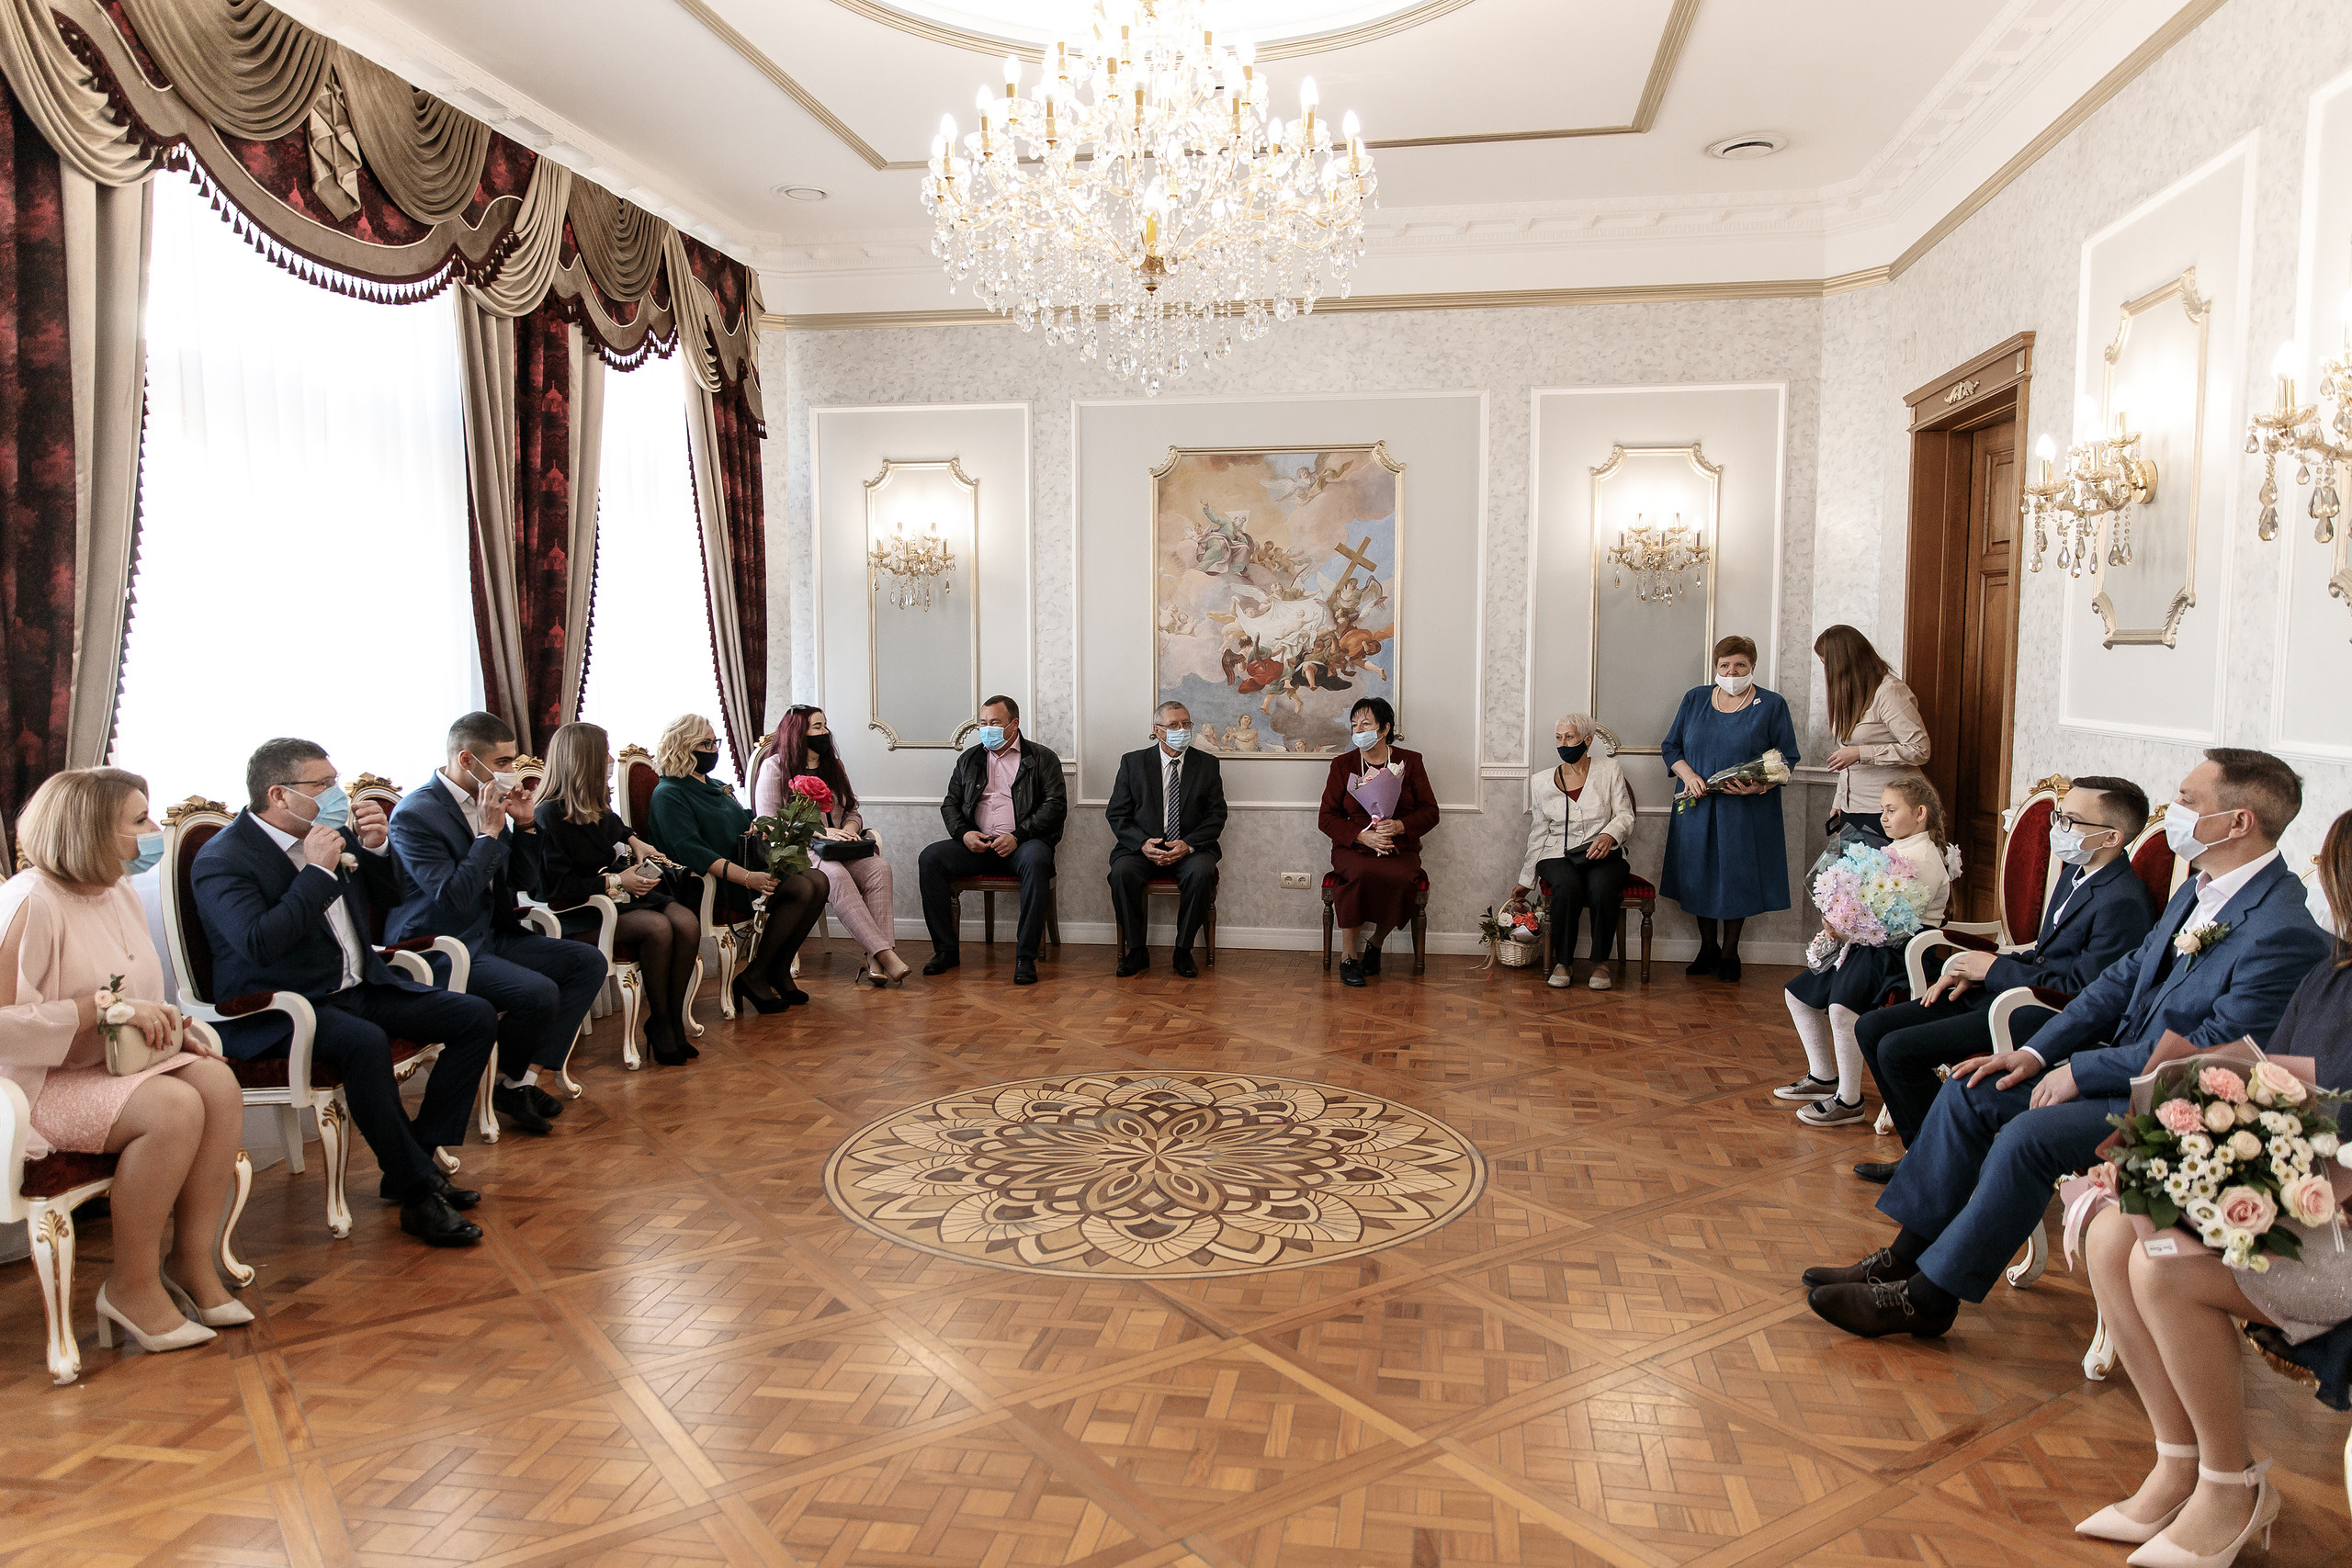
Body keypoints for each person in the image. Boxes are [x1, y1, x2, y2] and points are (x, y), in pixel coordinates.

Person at [1803, 749, 2333, 1341]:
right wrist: (2033, 1053)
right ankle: (1905, 1258)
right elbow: (2118, 981)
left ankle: (1929, 1299)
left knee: (2028, 1136)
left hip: (2171, 1105)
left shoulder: (2282, 931)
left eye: (2188, 801)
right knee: (1970, 1087)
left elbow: (2207, 1052)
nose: (2173, 812)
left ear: (2239, 822)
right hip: (2119, 1065)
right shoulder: (2198, 891)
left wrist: (2079, 1071)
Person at [2074, 808, 2351, 1567]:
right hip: (2305, 1197)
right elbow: (2273, 1084)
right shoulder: (2332, 973)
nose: (2322, 868)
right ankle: (2179, 1462)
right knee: (2109, 1229)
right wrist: (2152, 1159)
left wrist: (2286, 1184)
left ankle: (2233, 1484)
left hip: (2342, 1226)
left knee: (2161, 1267)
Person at [193, 739, 500, 1245]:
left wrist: (377, 851)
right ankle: (420, 1197)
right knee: (364, 1043)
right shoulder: (224, 858)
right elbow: (258, 946)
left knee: (474, 1016)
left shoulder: (329, 833)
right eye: (323, 784)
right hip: (283, 1007)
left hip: (359, 986)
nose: (338, 793)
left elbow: (392, 899)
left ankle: (415, 1162)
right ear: (279, 795)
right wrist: (315, 872)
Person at [1, 768, 250, 1349]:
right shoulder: (28, 904)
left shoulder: (113, 888)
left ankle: (192, 1261)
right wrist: (93, 1011)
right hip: (33, 1083)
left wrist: (170, 1025)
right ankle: (131, 1285)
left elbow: (140, 990)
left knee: (216, 1083)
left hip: (104, 1066)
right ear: (89, 831)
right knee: (172, 1108)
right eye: (139, 821)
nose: (154, 829)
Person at [1849, 775, 2156, 1179]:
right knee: (1872, 1027)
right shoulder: (2075, 873)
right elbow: (2046, 954)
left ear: (2111, 837)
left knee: (1898, 1050)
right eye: (2059, 816)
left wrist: (1994, 970)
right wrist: (1974, 969)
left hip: (2040, 1011)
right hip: (2012, 988)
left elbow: (2084, 991)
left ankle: (1936, 1167)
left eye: (2071, 821)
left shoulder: (2124, 902)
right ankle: (1927, 1157)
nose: (2057, 828)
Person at [386, 712, 606, 1134]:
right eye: (503, 763)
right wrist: (488, 835)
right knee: (537, 992)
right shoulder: (416, 814)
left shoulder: (490, 802)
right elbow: (453, 897)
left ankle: (515, 1080)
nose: (512, 772)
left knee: (587, 962)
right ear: (468, 760)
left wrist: (524, 826)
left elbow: (525, 884)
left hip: (491, 933)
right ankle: (506, 1084)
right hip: (439, 945)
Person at [1774, 776, 1953, 1128]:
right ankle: (1823, 1075)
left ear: (1920, 813)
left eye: (1891, 809)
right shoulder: (1897, 848)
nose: (1883, 817)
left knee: (1842, 1007)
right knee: (1797, 995)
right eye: (1882, 809)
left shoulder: (1925, 859)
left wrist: (1847, 928)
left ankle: (1849, 1099)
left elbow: (1897, 921)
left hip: (1901, 954)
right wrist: (1840, 913)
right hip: (1868, 945)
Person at [536, 723, 703, 1066]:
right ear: (584, 760)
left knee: (686, 921)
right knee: (658, 928)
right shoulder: (547, 815)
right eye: (604, 752)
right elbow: (556, 888)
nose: (610, 759)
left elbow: (618, 828)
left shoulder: (593, 806)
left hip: (615, 900)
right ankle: (661, 1025)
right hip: (580, 911)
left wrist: (635, 841)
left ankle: (667, 1021)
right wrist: (617, 882)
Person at [645, 713, 829, 1014]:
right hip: (711, 885)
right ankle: (756, 976)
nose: (714, 750)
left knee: (818, 881)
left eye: (714, 742)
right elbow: (691, 852)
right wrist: (748, 878)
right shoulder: (669, 794)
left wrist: (760, 825)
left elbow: (742, 819)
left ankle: (776, 970)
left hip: (742, 871)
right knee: (800, 888)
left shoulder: (716, 785)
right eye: (706, 743)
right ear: (683, 746)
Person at [1658, 635, 1801, 980]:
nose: (1732, 671)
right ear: (1716, 667)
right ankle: (1706, 948)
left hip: (1747, 810)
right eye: (1725, 665)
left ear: (1752, 667)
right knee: (1699, 874)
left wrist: (1759, 786)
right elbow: (1671, 747)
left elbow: (1787, 759)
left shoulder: (1771, 704)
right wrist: (1689, 775)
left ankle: (1730, 952)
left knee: (1738, 877)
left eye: (1740, 665)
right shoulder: (1695, 700)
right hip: (1698, 804)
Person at [917, 694, 1067, 987]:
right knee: (930, 858)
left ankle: (1025, 957)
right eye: (983, 723)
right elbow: (950, 804)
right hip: (979, 844)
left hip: (1025, 843)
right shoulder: (969, 759)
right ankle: (946, 951)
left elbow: (1055, 806)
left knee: (1037, 860)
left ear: (1014, 724)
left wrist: (1018, 835)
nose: (987, 729)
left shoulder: (1041, 758)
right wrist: (964, 834)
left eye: (994, 723)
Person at [754, 706, 909, 987]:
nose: (824, 732)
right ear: (797, 733)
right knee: (835, 875)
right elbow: (768, 824)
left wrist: (850, 829)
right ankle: (885, 954)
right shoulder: (774, 766)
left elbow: (852, 810)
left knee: (879, 868)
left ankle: (873, 958)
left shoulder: (833, 766)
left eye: (824, 726)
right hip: (802, 851)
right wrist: (823, 831)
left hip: (841, 848)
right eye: (816, 727)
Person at [1318, 696, 1439, 987]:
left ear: (1384, 728)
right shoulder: (1342, 764)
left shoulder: (1410, 762)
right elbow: (1327, 817)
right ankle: (1349, 957)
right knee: (1359, 875)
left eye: (1365, 724)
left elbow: (1430, 812)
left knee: (1402, 879)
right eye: (1354, 725)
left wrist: (1399, 826)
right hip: (1354, 846)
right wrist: (1362, 836)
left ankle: (1375, 942)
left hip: (1398, 844)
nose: (1358, 730)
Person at [1510, 713, 1634, 991]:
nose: (1563, 743)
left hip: (1603, 853)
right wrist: (1526, 880)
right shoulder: (1541, 781)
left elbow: (1625, 816)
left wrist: (1609, 834)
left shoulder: (1610, 770)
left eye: (1570, 737)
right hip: (1557, 854)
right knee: (1566, 887)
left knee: (1603, 887)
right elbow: (1539, 832)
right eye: (1559, 737)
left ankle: (1601, 963)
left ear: (1587, 740)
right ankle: (1563, 962)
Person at [1106, 701, 1227, 979]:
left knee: (1201, 874)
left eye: (1186, 724)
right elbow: (1117, 813)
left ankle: (1183, 950)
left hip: (1190, 848)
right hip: (1142, 849)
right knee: (1121, 873)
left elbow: (1216, 816)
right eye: (1173, 725)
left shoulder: (1207, 764)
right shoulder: (1133, 762)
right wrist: (1141, 844)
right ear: (1157, 731)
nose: (1182, 730)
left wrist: (1188, 845)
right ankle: (1137, 950)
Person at [1815, 624, 1928, 852]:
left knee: (1883, 884)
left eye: (1826, 663)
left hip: (1887, 811)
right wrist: (1840, 801)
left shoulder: (1889, 692)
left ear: (1842, 663)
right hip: (1853, 809)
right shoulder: (1851, 695)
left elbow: (1920, 749)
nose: (1825, 671)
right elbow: (1845, 753)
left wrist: (1861, 754)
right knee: (1854, 885)